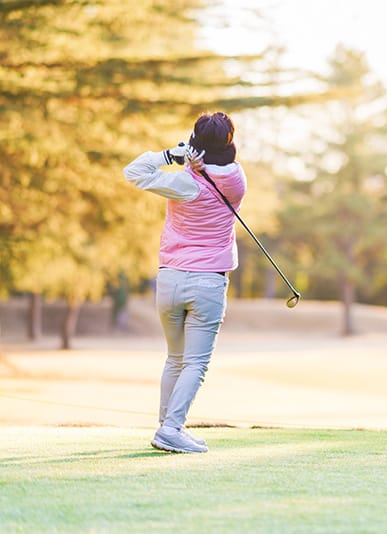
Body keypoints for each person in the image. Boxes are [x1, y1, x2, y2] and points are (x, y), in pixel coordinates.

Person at [123, 111, 246, 453]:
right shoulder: (237, 180)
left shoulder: (182, 182)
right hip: (208, 283)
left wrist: (171, 156)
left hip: (170, 279)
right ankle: (172, 428)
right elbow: (220, 172)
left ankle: (168, 426)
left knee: (175, 359)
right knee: (195, 363)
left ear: (195, 147)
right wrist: (199, 161)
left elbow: (132, 171)